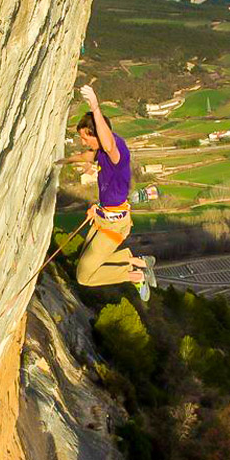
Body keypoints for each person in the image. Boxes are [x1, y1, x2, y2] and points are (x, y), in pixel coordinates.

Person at [56, 85, 156, 301]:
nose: (83, 142)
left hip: (114, 225)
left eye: (86, 137)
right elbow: (86, 156)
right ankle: (137, 261)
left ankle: (135, 275)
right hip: (103, 217)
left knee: (84, 276)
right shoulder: (101, 152)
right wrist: (60, 161)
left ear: (98, 134)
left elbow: (107, 141)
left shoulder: (115, 153)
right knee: (85, 259)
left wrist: (95, 106)